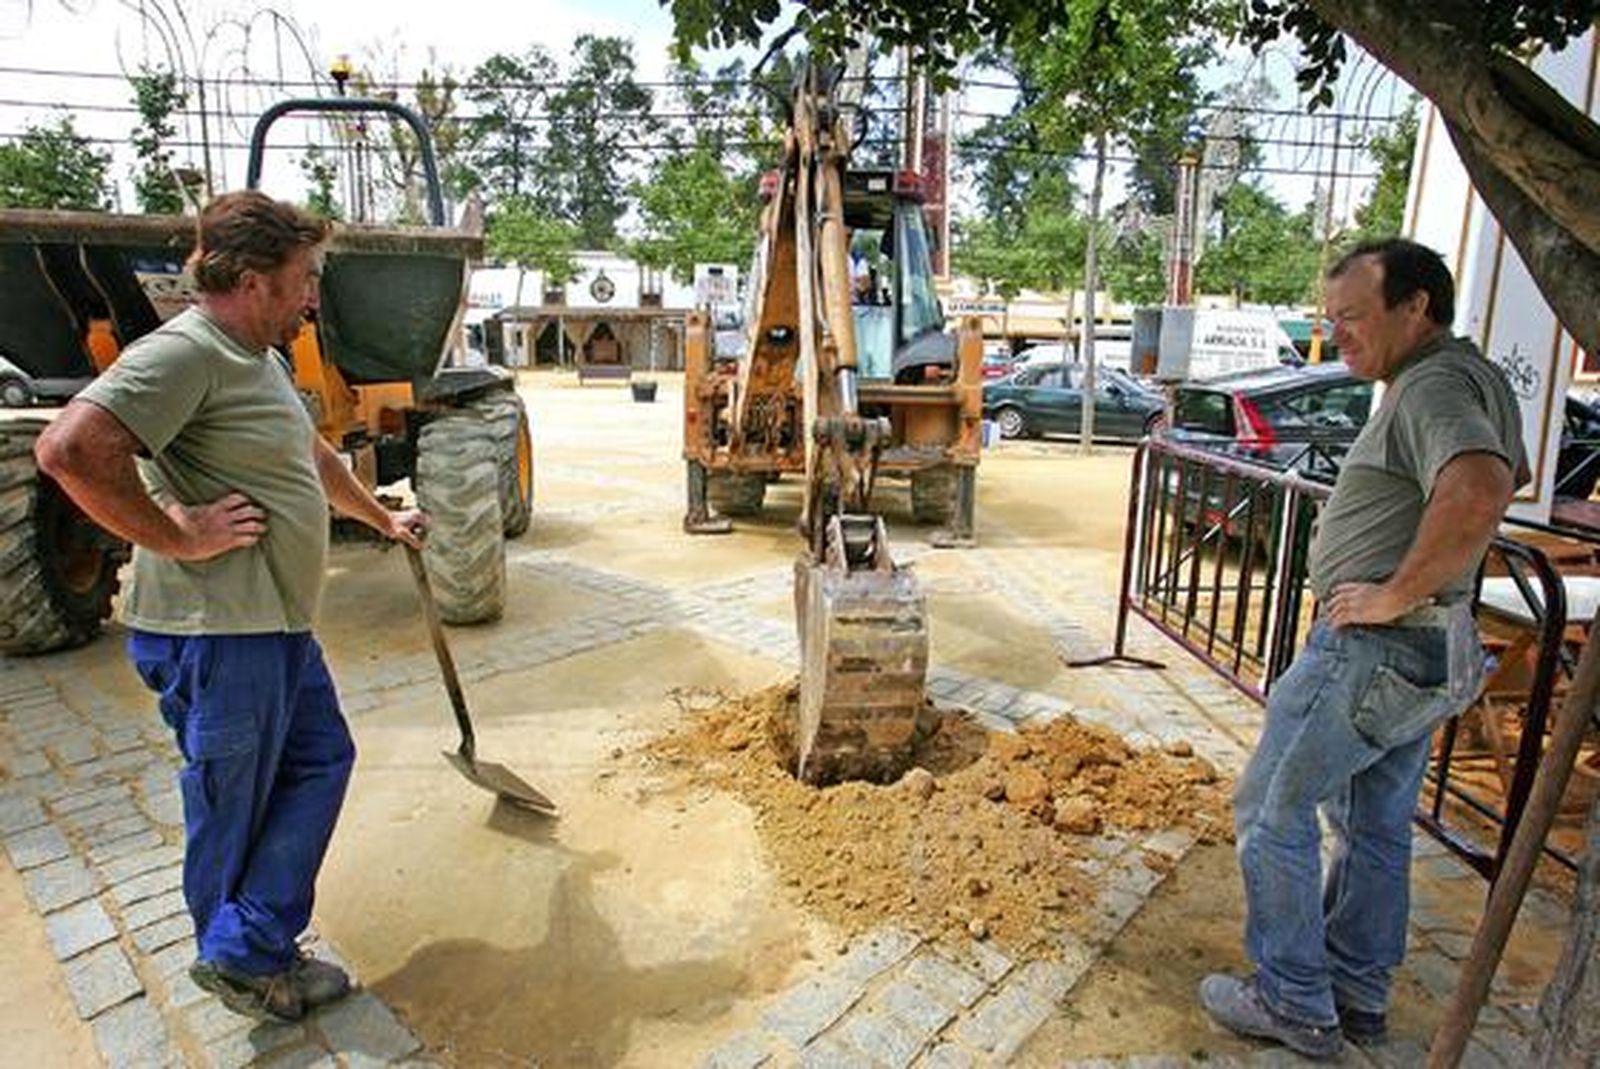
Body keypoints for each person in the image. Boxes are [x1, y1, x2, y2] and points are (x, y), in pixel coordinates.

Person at [35, 191, 426, 1023]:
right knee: (233, 799)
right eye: (303, 279)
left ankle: (247, 940)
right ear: (251, 281)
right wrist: (177, 535)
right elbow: (69, 449)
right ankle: (249, 960)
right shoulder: (187, 351)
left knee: (320, 758)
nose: (312, 297)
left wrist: (382, 517)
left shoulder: (262, 359)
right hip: (220, 638)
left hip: (276, 627)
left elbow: (310, 454)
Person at [1199, 238, 1528, 1059]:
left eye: (1352, 316)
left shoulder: (1434, 385)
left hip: (1373, 647)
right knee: (1373, 823)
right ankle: (1355, 992)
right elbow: (1503, 472)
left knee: (1270, 808)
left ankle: (1294, 998)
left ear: (1415, 307)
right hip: (1421, 647)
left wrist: (1392, 591)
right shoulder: (1471, 374)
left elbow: (1482, 484)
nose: (1336, 334)